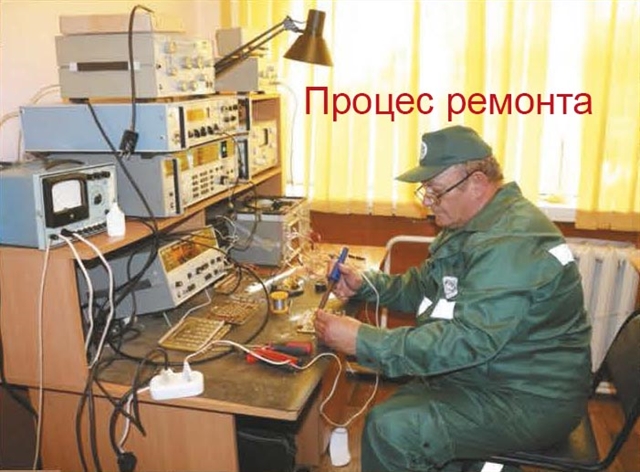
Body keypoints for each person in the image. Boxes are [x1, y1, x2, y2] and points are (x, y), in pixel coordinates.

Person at [314, 125, 592, 472]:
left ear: (476, 183)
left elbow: (468, 339)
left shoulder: (511, 241)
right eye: (425, 191)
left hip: (531, 399)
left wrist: (363, 341)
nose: (427, 202)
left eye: (436, 191)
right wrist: (368, 285)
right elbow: (425, 287)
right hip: (492, 376)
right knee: (400, 418)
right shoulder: (473, 224)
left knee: (391, 430)